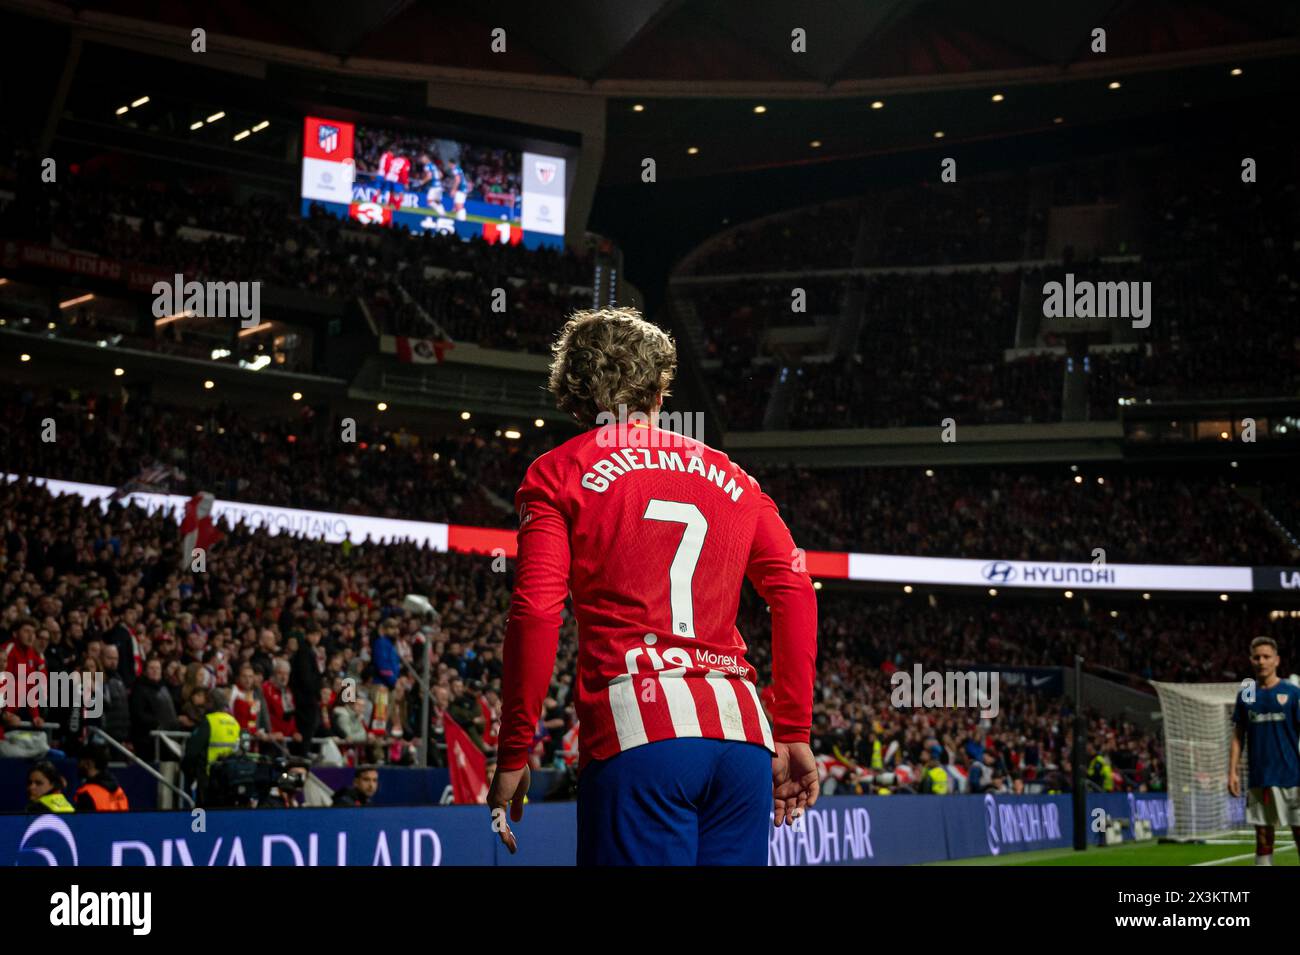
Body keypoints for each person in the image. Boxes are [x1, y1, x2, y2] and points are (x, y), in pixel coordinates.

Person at [488, 308, 819, 866]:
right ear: (660, 391)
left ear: (571, 394)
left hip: (640, 736)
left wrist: (515, 749)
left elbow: (537, 611)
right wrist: (794, 727)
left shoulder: (557, 472)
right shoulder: (735, 477)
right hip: (740, 743)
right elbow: (794, 588)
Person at [1229, 636, 1300, 866]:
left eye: (1266, 657)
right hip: (1259, 778)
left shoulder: (1292, 692)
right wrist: (1232, 772)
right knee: (1262, 839)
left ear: (1277, 660)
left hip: (1292, 777)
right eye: (1257, 657)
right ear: (1251, 660)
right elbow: (1239, 735)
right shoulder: (1247, 692)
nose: (1261, 661)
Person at [74, 743, 129, 812]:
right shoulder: (119, 790)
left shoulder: (86, 794)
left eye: (80, 761)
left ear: (89, 763)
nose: (78, 765)